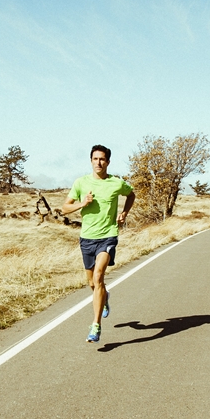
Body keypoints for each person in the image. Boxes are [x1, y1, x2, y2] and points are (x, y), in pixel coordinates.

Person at [62, 145, 135, 343]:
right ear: (91, 160)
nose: (98, 162)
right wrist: (82, 203)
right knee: (93, 284)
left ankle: (95, 326)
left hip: (108, 236)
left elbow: (131, 194)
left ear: (108, 162)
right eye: (95, 159)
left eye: (102, 159)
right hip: (87, 238)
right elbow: (64, 208)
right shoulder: (81, 183)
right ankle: (104, 298)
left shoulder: (116, 183)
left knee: (99, 275)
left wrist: (124, 213)